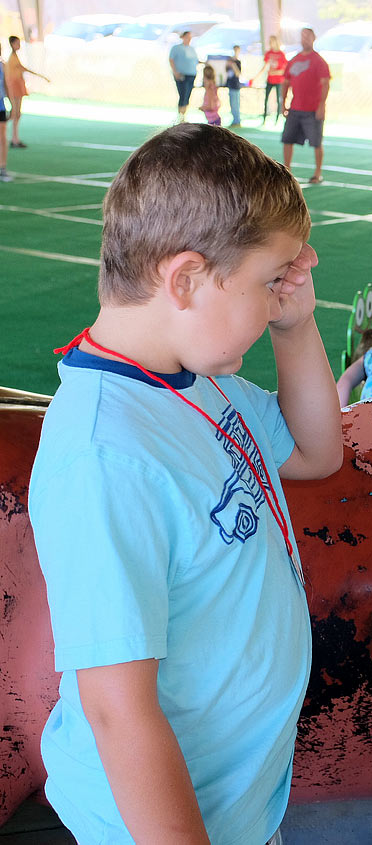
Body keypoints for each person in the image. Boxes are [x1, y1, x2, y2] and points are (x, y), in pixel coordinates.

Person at [28, 123, 343, 845]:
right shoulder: (106, 454)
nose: (271, 305)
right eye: (267, 285)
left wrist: (295, 328)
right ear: (186, 279)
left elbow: (315, 452)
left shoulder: (191, 381)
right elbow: (118, 709)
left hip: (234, 800)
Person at [281, 27, 330, 185]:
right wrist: (283, 102)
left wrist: (321, 105)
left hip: (312, 110)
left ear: (314, 38)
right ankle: (287, 171)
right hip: (295, 108)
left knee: (316, 142)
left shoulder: (319, 61)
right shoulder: (293, 60)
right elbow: (286, 82)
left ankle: (317, 173)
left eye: (308, 36)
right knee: (287, 139)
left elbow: (325, 84)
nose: (305, 39)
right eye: (302, 36)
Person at [6, 34, 49, 148]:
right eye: (17, 43)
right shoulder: (12, 58)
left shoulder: (15, 57)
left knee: (17, 114)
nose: (19, 45)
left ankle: (15, 138)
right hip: (14, 87)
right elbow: (16, 72)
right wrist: (42, 76)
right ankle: (13, 138)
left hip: (17, 86)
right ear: (12, 44)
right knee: (14, 114)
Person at [253, 35, 288, 124]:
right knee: (266, 98)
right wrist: (256, 77)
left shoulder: (281, 54)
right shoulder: (269, 53)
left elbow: (284, 70)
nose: (270, 43)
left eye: (272, 41)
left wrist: (275, 73)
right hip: (270, 80)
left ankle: (277, 118)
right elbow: (265, 67)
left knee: (278, 99)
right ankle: (264, 118)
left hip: (278, 81)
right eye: (269, 42)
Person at [168, 31, 200, 123]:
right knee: (183, 94)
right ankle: (180, 117)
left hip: (192, 74)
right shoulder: (176, 48)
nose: (189, 39)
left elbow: (196, 61)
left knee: (187, 95)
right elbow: (171, 60)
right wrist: (175, 72)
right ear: (183, 37)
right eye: (187, 37)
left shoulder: (192, 49)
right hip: (181, 75)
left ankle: (183, 116)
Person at [225, 45, 243, 128]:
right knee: (232, 104)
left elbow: (238, 73)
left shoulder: (237, 62)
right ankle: (235, 120)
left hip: (235, 86)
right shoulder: (229, 60)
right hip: (230, 85)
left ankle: (237, 120)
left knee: (235, 104)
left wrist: (233, 65)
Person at [0, 54, 11, 181]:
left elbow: (6, 84)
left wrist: (10, 101)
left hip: (1, 106)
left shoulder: (2, 66)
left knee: (2, 137)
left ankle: (2, 167)